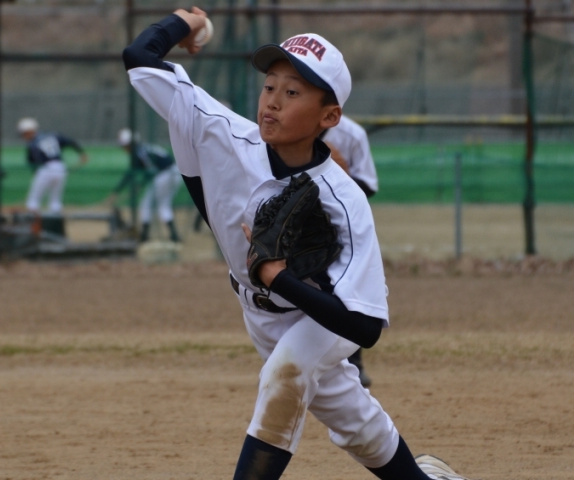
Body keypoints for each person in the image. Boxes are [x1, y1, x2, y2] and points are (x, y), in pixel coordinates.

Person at [123, 7, 474, 480]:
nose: (272, 102)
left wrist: (279, 277)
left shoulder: (343, 199)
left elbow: (365, 327)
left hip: (320, 315)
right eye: (269, 86)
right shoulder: (221, 132)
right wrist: (185, 23)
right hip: (257, 312)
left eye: (292, 93)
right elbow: (139, 58)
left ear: (329, 116)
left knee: (283, 375)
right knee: (354, 421)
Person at [321, 115, 379, 387]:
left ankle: (353, 362)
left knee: (347, 290)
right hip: (298, 221)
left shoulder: (352, 134)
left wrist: (338, 179)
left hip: (341, 225)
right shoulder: (281, 126)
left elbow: (369, 184)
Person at [107, 129, 182, 243]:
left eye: (124, 145)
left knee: (146, 204)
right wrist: (140, 184)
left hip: (164, 175)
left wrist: (117, 191)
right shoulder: (144, 148)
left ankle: (145, 236)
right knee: (163, 204)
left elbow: (136, 173)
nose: (124, 148)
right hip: (175, 173)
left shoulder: (138, 152)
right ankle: (174, 235)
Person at [17, 117, 88, 214]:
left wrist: (35, 173)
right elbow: (71, 141)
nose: (24, 136)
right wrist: (81, 153)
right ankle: (55, 220)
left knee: (33, 200)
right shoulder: (53, 135)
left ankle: (33, 220)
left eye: (24, 134)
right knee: (55, 199)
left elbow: (31, 161)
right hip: (60, 168)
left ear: (29, 131)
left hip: (45, 169)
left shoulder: (33, 143)